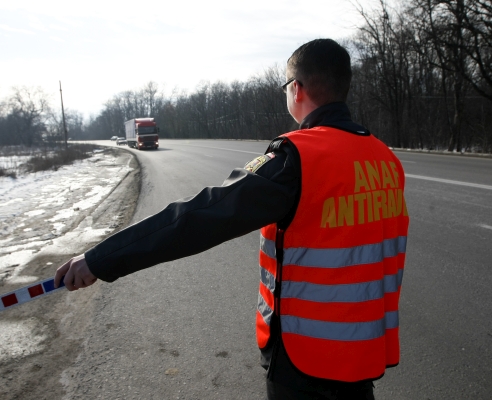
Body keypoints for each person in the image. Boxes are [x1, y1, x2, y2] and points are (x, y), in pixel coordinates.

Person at [55, 39, 410, 400]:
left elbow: (201, 217)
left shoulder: (298, 158)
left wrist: (100, 259)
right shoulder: (383, 157)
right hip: (362, 353)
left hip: (307, 360)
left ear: (297, 89)